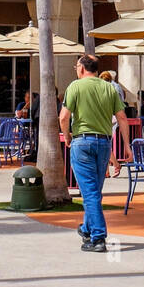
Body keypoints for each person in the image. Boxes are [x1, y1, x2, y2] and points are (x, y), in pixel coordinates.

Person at [60, 54, 130, 253]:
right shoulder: (109, 87)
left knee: (89, 193)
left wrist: (67, 137)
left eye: (76, 66)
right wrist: (126, 145)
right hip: (104, 143)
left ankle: (98, 237)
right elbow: (122, 118)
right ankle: (86, 229)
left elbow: (63, 117)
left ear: (82, 68)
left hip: (82, 142)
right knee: (94, 192)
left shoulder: (75, 86)